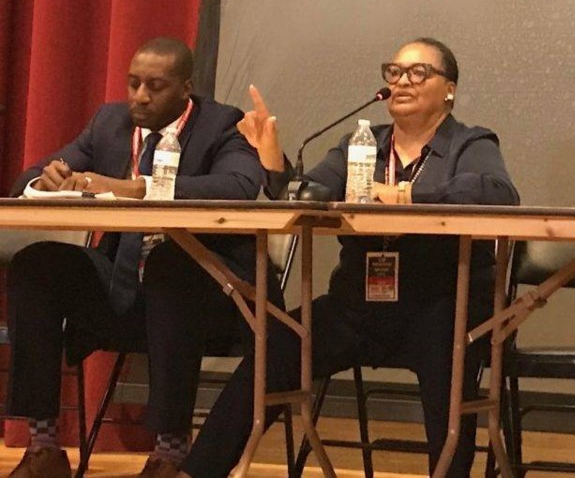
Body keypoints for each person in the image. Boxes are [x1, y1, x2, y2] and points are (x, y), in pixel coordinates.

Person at [177, 37, 520, 478]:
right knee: (275, 349)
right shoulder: (361, 144)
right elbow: (311, 195)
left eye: (418, 73)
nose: (402, 82)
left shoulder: (470, 143)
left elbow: (498, 194)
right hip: (356, 306)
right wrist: (275, 164)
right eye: (393, 72)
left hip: (439, 308)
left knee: (451, 374)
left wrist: (409, 197)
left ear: (448, 89)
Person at [5, 38, 276, 478]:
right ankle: (43, 444)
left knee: (171, 265)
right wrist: (46, 178)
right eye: (133, 84)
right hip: (121, 287)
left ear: (185, 89)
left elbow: (240, 186)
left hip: (200, 295)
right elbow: (26, 180)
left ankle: (170, 450)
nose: (140, 97)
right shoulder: (109, 122)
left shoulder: (220, 124)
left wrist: (140, 187)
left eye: (155, 86)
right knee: (36, 265)